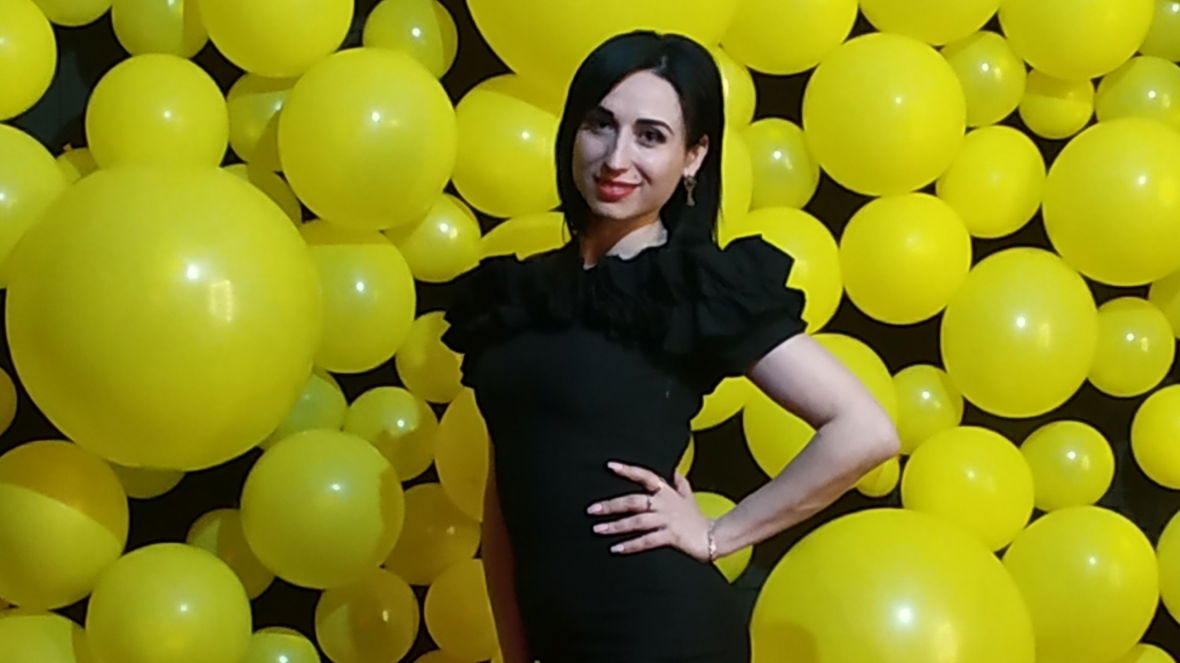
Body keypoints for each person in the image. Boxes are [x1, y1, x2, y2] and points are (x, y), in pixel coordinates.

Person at [441, 30, 900, 663]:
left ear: (693, 156)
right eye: (600, 125)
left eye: (650, 136)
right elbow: (507, 499)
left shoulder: (691, 287)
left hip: (662, 632)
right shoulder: (516, 295)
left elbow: (865, 430)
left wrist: (719, 535)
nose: (616, 157)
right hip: (558, 637)